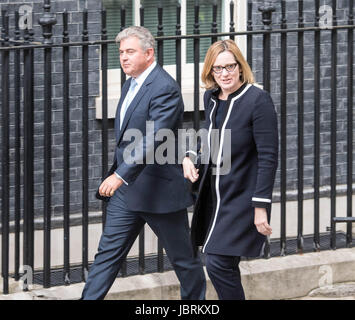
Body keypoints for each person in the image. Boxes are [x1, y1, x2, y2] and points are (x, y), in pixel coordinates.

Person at [81, 26, 206, 300]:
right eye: (121, 52)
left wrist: (120, 175)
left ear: (149, 53)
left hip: (159, 191)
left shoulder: (165, 88)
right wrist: (123, 178)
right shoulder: (130, 83)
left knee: (184, 261)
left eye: (130, 52)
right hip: (127, 193)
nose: (123, 58)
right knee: (106, 257)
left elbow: (155, 138)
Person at [183, 39, 278, 300]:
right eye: (217, 69)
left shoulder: (258, 100)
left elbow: (269, 157)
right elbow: (209, 137)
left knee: (217, 262)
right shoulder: (212, 98)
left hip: (242, 197)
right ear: (210, 72)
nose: (224, 74)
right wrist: (190, 156)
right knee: (223, 262)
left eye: (229, 67)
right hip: (215, 196)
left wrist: (260, 207)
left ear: (240, 66)